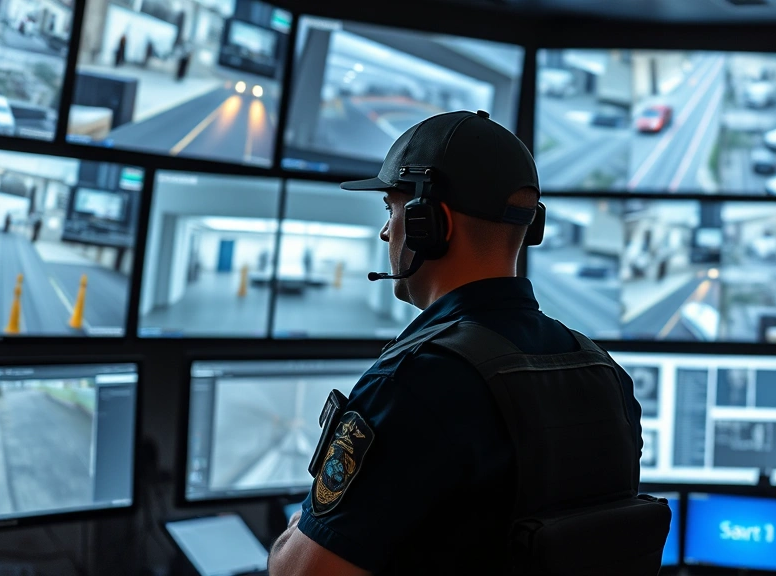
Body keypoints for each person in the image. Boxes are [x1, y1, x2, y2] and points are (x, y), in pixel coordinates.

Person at [268, 111, 653, 575]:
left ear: (429, 221)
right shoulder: (604, 373)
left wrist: (301, 526)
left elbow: (302, 572)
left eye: (391, 210)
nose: (386, 232)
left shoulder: (414, 382)